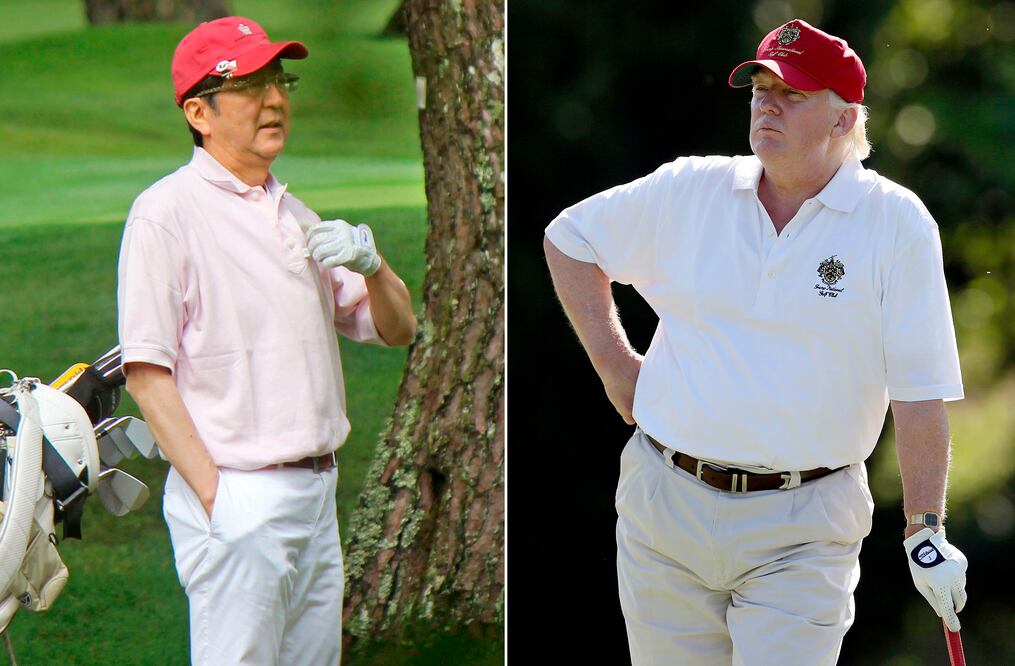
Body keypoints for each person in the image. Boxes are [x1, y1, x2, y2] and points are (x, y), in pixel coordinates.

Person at [543, 19, 968, 665]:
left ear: (841, 118)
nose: (767, 102)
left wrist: (923, 528)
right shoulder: (691, 187)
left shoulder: (894, 222)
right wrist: (614, 365)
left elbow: (918, 391)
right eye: (759, 87)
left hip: (804, 527)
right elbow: (570, 240)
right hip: (665, 504)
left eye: (792, 93)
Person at [117, 16, 417, 665]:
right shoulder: (166, 214)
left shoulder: (296, 214)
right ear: (199, 111)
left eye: (279, 82)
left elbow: (397, 330)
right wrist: (217, 497)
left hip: (315, 496)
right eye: (250, 87)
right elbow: (147, 374)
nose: (275, 99)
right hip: (238, 496)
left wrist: (375, 267)